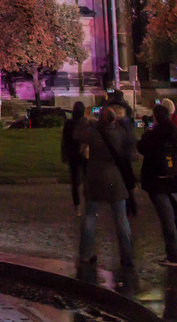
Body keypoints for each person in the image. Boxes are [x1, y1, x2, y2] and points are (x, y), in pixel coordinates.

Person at [74, 105, 136, 277]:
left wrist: (85, 119)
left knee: (90, 216)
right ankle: (127, 256)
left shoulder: (93, 133)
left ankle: (85, 254)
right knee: (121, 218)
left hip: (94, 178)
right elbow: (131, 149)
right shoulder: (120, 133)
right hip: (115, 180)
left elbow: (77, 134)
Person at [137, 104, 177, 266]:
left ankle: (173, 255)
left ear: (155, 117)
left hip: (158, 181)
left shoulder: (154, 134)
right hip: (176, 179)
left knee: (167, 219)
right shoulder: (175, 132)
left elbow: (141, 147)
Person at [63, 102, 88, 214]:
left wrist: (65, 154)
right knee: (87, 179)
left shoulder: (69, 124)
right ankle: (88, 203)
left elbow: (65, 141)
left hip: (73, 155)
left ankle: (77, 205)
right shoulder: (85, 123)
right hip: (84, 155)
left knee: (75, 182)